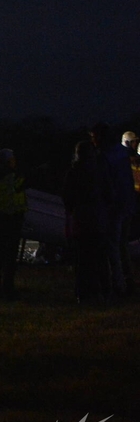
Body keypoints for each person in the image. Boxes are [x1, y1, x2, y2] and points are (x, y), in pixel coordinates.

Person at [62, 140, 112, 305]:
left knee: (83, 258)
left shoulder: (74, 172)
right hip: (97, 217)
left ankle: (83, 293)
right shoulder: (99, 171)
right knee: (100, 257)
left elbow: (67, 197)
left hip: (81, 218)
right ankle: (104, 292)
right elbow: (108, 193)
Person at [90, 122, 135, 297]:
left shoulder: (105, 156)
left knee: (112, 247)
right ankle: (127, 282)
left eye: (94, 137)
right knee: (122, 246)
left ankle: (118, 285)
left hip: (114, 207)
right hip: (127, 204)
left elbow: (105, 183)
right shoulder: (121, 153)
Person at [0, 148, 27, 300]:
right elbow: (21, 186)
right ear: (9, 161)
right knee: (9, 257)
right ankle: (8, 288)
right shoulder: (12, 177)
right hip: (11, 219)